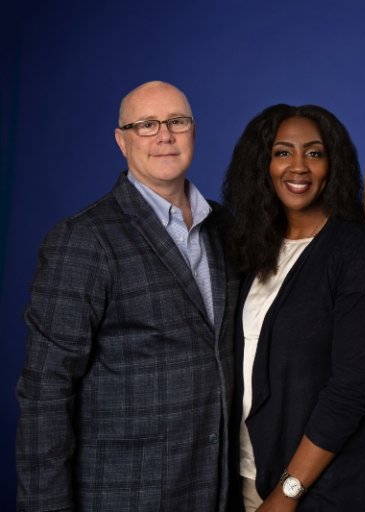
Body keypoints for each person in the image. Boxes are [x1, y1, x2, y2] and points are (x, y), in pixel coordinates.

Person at [16, 81, 239, 511]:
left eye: (177, 121)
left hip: (214, 487)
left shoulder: (225, 228)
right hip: (125, 491)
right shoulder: (84, 239)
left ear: (194, 131)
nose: (164, 136)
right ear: (122, 141)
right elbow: (46, 389)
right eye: (146, 125)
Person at [222, 104, 365, 511]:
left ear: (332, 165)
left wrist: (287, 493)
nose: (298, 167)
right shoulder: (250, 248)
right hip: (246, 477)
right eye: (283, 152)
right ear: (262, 164)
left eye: (314, 153)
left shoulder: (357, 252)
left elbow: (352, 390)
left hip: (316, 491)